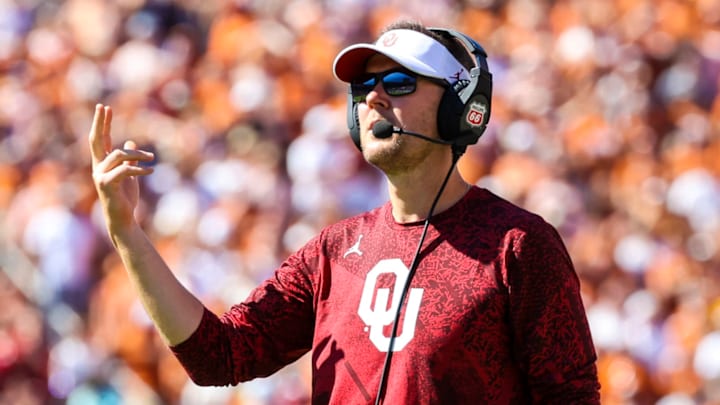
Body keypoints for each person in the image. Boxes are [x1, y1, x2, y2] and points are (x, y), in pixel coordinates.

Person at [89, 19, 601, 404]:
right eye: (364, 88)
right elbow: (217, 357)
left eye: (398, 82)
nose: (374, 97)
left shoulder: (518, 245)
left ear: (458, 109)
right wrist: (128, 235)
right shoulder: (332, 251)